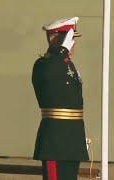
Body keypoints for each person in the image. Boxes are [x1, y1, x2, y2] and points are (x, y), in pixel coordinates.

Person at [32, 17, 89, 180]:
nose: (73, 44)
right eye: (70, 40)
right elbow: (50, 74)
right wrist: (61, 50)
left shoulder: (67, 64)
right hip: (55, 140)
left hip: (73, 138)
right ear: (54, 39)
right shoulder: (43, 64)